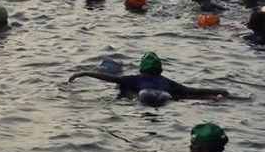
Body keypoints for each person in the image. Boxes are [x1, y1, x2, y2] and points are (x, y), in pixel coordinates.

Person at [69, 51, 232, 100]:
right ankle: (216, 98)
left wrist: (82, 73)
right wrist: (220, 91)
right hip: (165, 96)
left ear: (141, 69)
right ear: (160, 70)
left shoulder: (134, 79)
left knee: (126, 92)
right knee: (186, 95)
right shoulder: (168, 81)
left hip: (144, 95)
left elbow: (107, 78)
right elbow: (195, 90)